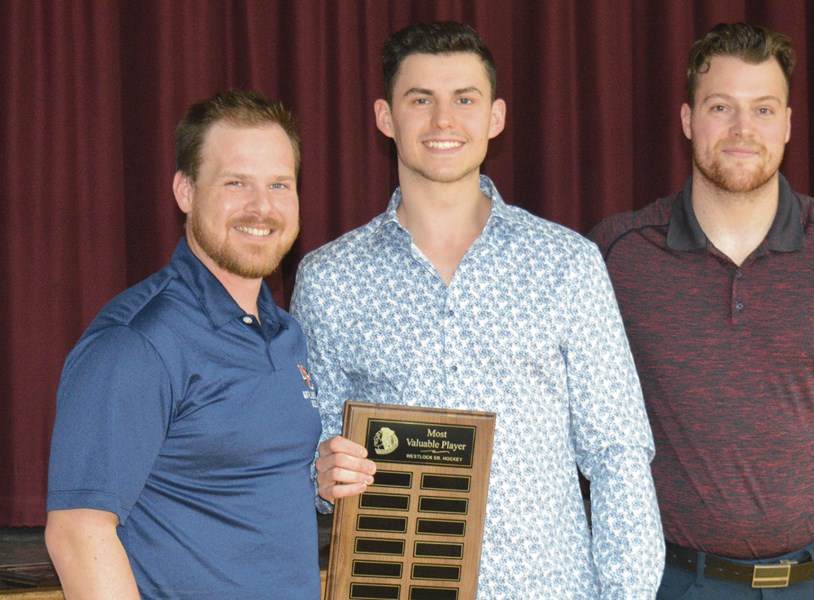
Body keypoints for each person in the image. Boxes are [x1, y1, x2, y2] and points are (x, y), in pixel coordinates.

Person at [291, 21, 664, 599]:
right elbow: (312, 451)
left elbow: (618, 453)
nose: (443, 121)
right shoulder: (329, 279)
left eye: (464, 99)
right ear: (385, 117)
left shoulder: (566, 263)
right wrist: (320, 474)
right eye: (421, 100)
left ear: (495, 117)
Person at [589, 22, 814, 600]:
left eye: (763, 109)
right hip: (669, 582)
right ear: (687, 120)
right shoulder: (616, 255)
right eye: (721, 107)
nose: (742, 130)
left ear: (788, 124)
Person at [45, 90, 323, 599]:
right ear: (186, 192)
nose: (262, 207)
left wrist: (320, 477)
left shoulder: (286, 334)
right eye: (235, 182)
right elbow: (77, 533)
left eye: (280, 184)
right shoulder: (137, 343)